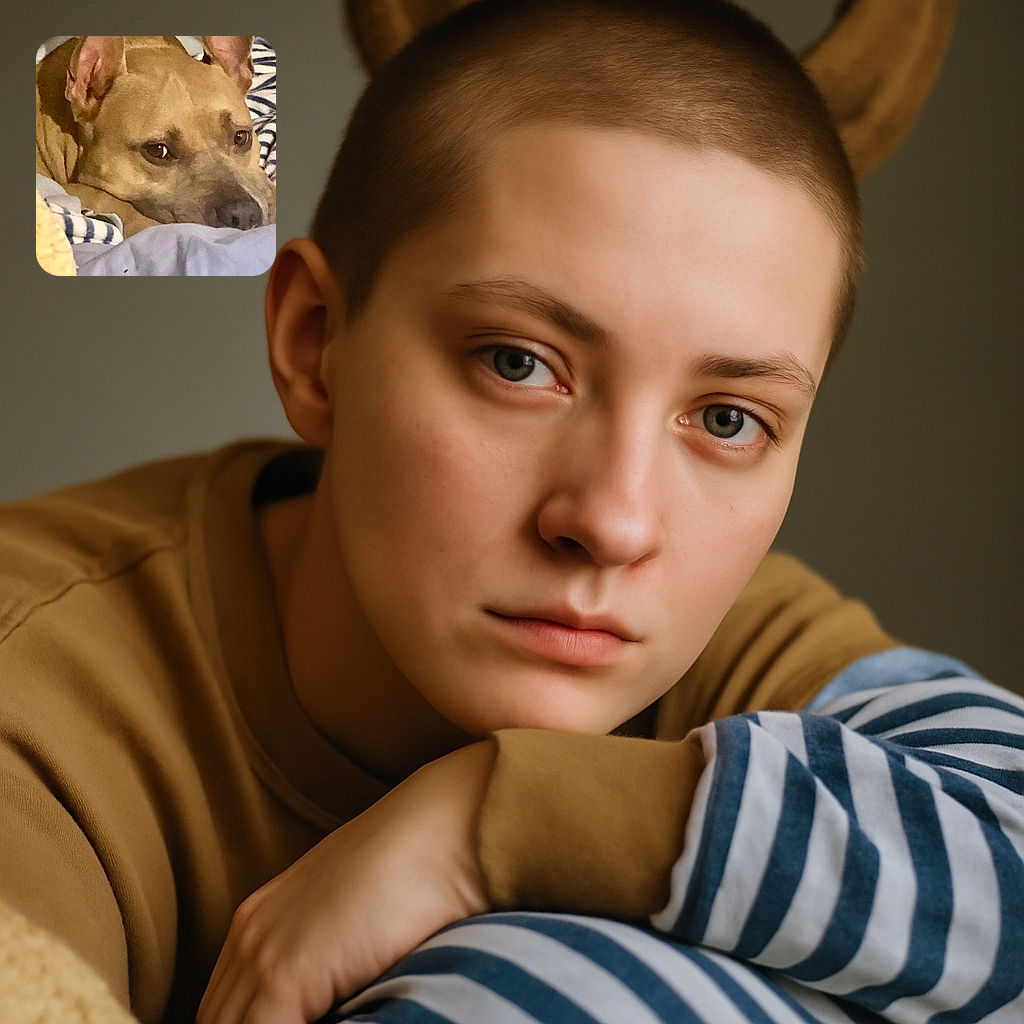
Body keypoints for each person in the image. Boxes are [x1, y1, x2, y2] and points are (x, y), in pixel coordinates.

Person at [1, 1, 1021, 1022]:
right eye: (519, 363)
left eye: (726, 417)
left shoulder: (718, 628)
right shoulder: (35, 699)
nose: (615, 524)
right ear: (317, 344)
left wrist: (494, 818)